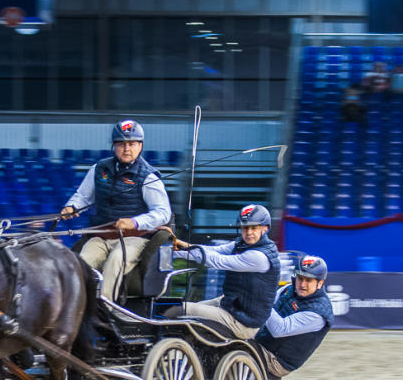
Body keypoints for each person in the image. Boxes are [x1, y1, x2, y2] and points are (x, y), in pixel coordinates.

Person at [59, 119, 172, 301]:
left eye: (132, 144)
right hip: (102, 236)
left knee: (116, 260)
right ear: (113, 146)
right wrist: (72, 206)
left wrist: (134, 222)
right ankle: (75, 308)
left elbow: (163, 213)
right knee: (82, 263)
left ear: (140, 146)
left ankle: (106, 310)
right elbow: (83, 196)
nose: (126, 149)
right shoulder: (99, 169)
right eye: (121, 144)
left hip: (135, 238)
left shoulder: (149, 177)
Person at [166, 204, 280, 339]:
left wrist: (185, 250)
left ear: (265, 228)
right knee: (186, 310)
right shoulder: (241, 244)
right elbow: (213, 250)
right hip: (233, 306)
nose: (248, 232)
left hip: (243, 323)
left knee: (181, 310)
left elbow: (217, 260)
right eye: (245, 228)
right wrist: (176, 249)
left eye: (254, 228)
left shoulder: (259, 257)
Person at [255, 255, 334, 378]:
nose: (302, 284)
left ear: (320, 283)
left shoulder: (318, 313)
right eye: (300, 278)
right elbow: (267, 302)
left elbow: (279, 329)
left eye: (308, 280)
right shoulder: (289, 289)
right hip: (262, 342)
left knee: (231, 350)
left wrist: (260, 299)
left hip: (277, 360)